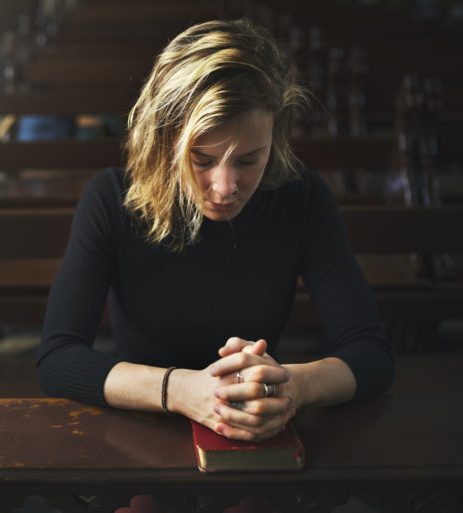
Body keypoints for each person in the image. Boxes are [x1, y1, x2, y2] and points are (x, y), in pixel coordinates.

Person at [36, 19, 394, 442]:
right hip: (144, 427)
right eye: (202, 160)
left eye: (248, 160)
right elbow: (58, 359)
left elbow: (370, 354)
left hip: (258, 425)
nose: (225, 188)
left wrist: (292, 387)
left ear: (274, 138)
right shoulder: (111, 198)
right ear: (166, 140)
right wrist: (182, 390)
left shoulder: (304, 199)